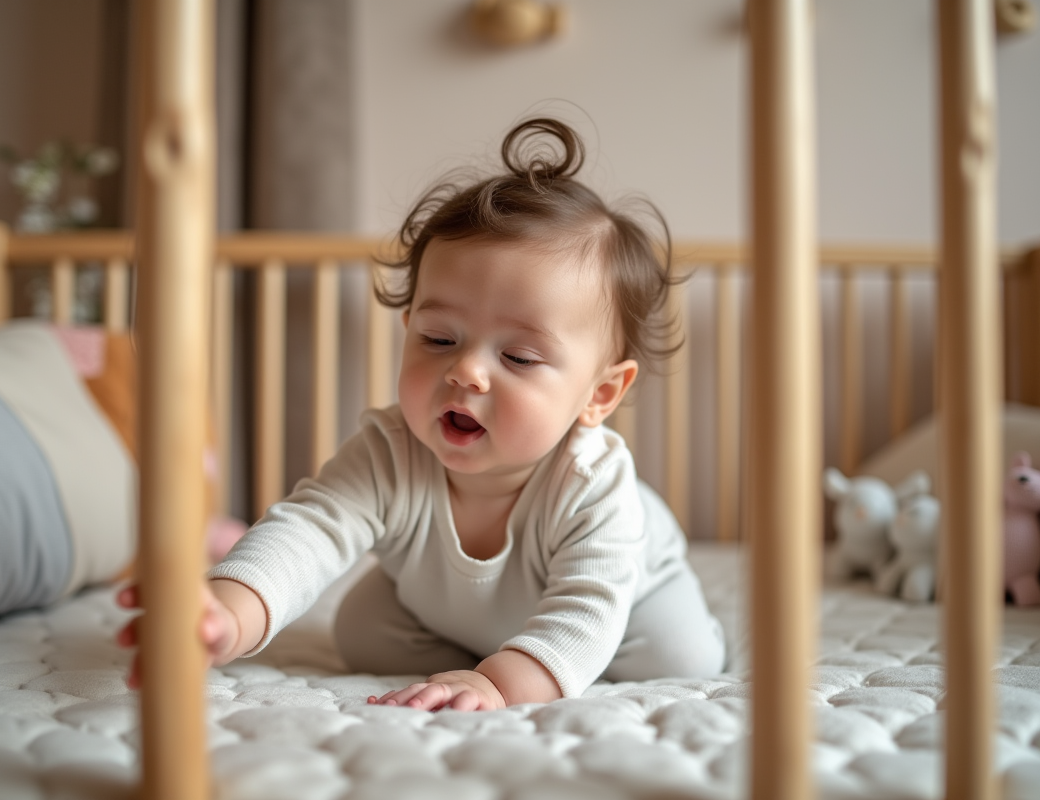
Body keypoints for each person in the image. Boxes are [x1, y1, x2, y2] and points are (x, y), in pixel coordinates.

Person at [118, 117, 726, 710]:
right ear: (408, 330)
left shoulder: (592, 487)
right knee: (360, 632)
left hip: (631, 592)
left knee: (681, 656)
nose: (467, 372)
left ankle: (515, 652)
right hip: (448, 603)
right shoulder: (389, 450)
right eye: (439, 339)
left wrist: (498, 684)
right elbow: (308, 532)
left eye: (517, 356)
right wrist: (226, 610)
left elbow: (587, 611)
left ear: (599, 395)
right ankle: (493, 640)